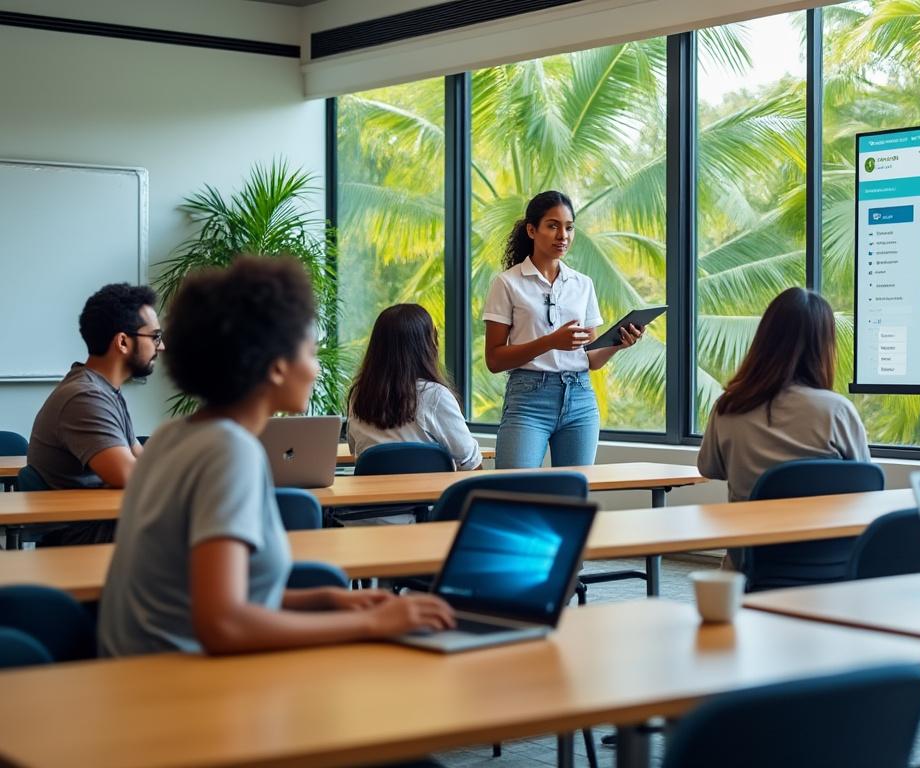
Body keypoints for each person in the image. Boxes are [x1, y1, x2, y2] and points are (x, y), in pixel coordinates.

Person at [99, 257, 454, 657]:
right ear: (277, 367)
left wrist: (326, 601)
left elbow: (199, 596)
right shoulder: (228, 452)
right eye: (311, 353)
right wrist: (371, 623)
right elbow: (223, 624)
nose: (317, 370)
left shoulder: (174, 436)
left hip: (147, 670)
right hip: (178, 687)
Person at [483, 190, 643, 469]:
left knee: (574, 495)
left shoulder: (583, 284)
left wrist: (618, 343)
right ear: (532, 230)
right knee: (511, 494)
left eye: (569, 228)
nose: (563, 236)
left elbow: (591, 359)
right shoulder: (507, 283)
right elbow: (494, 360)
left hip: (580, 398)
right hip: (528, 400)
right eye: (553, 226)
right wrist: (550, 342)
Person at [697, 287, 870, 503]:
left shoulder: (729, 406)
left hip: (747, 534)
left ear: (764, 339)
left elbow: (709, 468)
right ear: (824, 347)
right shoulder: (836, 411)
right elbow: (866, 478)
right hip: (825, 535)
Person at [27, 283, 163, 545]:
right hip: (82, 534)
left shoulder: (106, 391)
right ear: (123, 342)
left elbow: (142, 461)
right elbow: (129, 474)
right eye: (155, 336)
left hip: (105, 522)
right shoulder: (84, 396)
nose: (161, 346)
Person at [347, 304, 482, 470]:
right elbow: (470, 462)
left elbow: (355, 451)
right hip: (434, 496)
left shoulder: (358, 396)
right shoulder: (435, 396)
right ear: (427, 346)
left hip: (374, 496)